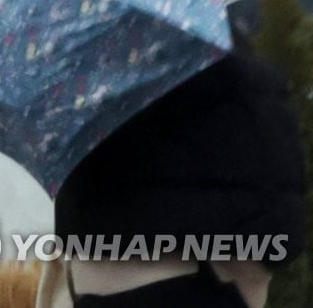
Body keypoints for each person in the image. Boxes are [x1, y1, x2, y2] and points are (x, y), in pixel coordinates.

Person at [36, 29, 305, 308]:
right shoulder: (217, 54)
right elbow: (267, 227)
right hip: (201, 273)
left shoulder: (73, 77)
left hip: (102, 272)